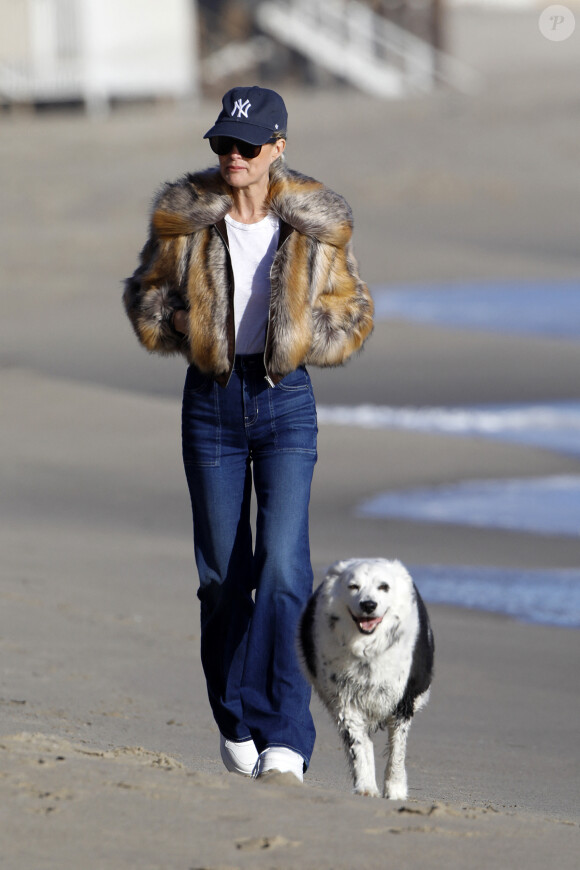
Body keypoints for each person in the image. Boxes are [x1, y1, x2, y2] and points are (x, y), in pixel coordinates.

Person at [123, 86, 374, 782]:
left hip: (285, 402)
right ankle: (234, 716)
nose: (233, 157)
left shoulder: (316, 226)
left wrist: (300, 339)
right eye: (223, 145)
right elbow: (144, 297)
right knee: (221, 581)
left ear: (278, 147)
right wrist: (179, 323)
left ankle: (286, 734)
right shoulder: (186, 220)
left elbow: (352, 313)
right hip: (210, 405)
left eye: (248, 146)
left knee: (286, 571)